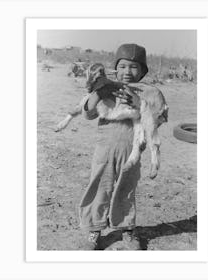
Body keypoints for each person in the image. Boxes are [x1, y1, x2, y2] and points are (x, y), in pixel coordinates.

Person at [79, 43, 164, 250]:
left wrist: (137, 102)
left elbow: (158, 118)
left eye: (134, 67)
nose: (128, 71)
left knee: (126, 188)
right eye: (123, 66)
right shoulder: (107, 86)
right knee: (100, 186)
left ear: (143, 70)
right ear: (116, 67)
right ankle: (94, 229)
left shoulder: (151, 92)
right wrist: (100, 91)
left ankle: (127, 229)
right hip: (105, 147)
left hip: (132, 150)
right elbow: (88, 113)